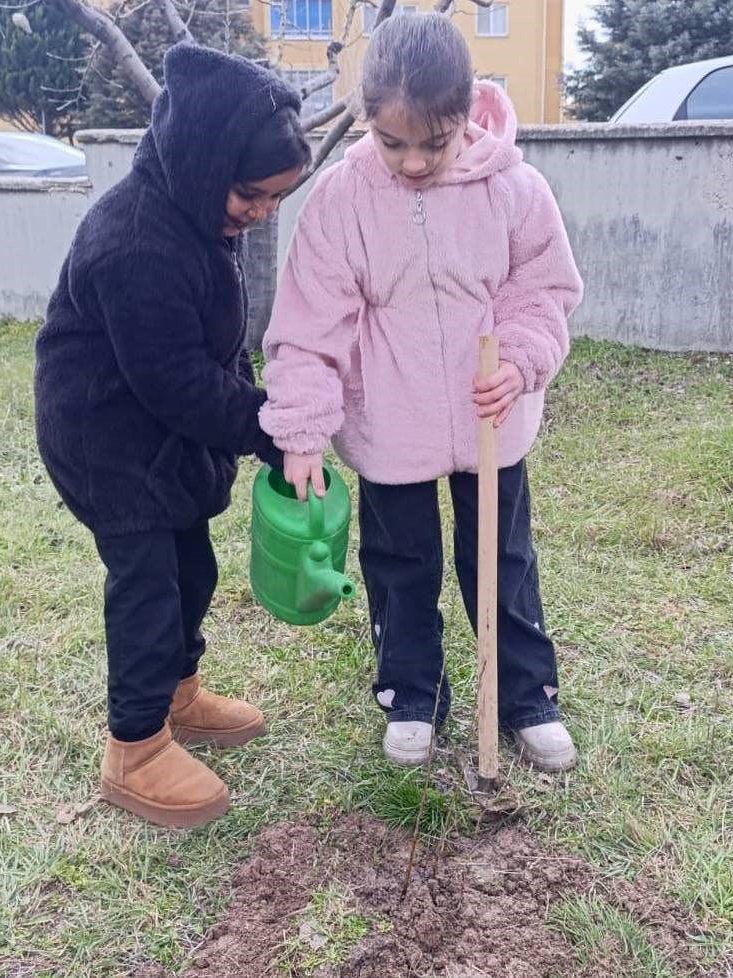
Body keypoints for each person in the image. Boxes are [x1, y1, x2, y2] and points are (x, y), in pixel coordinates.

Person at [260, 15, 584, 772]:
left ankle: (526, 695)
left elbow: (542, 288)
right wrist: (304, 428)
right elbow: (310, 325)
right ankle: (411, 693)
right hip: (390, 424)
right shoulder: (340, 202)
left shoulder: (513, 188)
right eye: (391, 142)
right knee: (400, 563)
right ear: (366, 119)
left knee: (501, 560)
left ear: (465, 115)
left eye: (433, 144)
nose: (411, 162)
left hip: (490, 418)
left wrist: (524, 358)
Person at [34, 44, 310, 827]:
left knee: (192, 566)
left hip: (158, 425)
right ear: (202, 159)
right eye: (250, 195)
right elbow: (177, 383)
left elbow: (215, 349)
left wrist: (256, 401)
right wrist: (269, 427)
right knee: (148, 582)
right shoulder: (136, 242)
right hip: (105, 433)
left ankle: (179, 695)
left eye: (273, 201)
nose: (259, 213)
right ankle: (135, 747)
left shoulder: (197, 217)